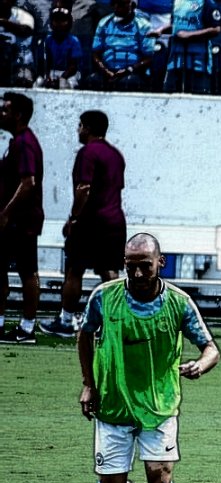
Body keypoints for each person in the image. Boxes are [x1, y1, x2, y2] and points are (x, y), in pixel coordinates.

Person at [77, 232, 220, 483]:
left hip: (159, 403)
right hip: (113, 402)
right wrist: (88, 384)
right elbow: (84, 335)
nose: (138, 273)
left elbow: (211, 349)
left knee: (160, 479)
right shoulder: (104, 297)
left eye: (145, 265)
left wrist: (200, 365)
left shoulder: (179, 304)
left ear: (161, 263)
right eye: (131, 266)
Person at [39, 111, 126, 339]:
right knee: (109, 272)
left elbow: (83, 188)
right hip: (115, 220)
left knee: (74, 270)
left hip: (90, 221)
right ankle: (113, 324)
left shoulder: (87, 153)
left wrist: (74, 218)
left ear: (87, 128)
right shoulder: (116, 155)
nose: (78, 130)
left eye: (80, 126)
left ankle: (66, 320)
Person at [0, 92, 43, 345]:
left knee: (28, 272)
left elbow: (29, 182)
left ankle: (27, 329)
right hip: (14, 220)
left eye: (5, 110)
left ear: (18, 115)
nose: (1, 114)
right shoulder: (16, 142)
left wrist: (6, 212)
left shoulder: (24, 143)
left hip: (21, 221)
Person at [87, 0, 155, 91]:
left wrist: (129, 70)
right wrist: (105, 70)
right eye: (114, 4)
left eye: (121, 4)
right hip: (107, 70)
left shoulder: (143, 26)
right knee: (92, 80)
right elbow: (96, 53)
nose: (116, 7)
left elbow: (149, 57)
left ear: (132, 6)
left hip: (133, 71)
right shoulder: (104, 23)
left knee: (129, 83)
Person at [160, 0, 221, 94]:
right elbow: (175, 24)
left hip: (199, 60)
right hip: (176, 58)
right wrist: (159, 30)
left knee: (198, 95)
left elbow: (216, 29)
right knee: (169, 92)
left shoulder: (207, 3)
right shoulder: (177, 2)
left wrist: (189, 35)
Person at [34, 6, 83, 90]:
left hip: (70, 74)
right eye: (56, 21)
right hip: (52, 72)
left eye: (63, 21)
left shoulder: (74, 41)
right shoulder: (47, 40)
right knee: (38, 83)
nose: (59, 24)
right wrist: (48, 76)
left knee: (63, 85)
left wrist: (62, 78)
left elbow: (73, 66)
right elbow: (44, 62)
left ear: (69, 23)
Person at [0, 0, 35, 87]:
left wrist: (3, 22)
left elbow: (25, 30)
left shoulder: (23, 15)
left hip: (20, 65)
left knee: (25, 80)